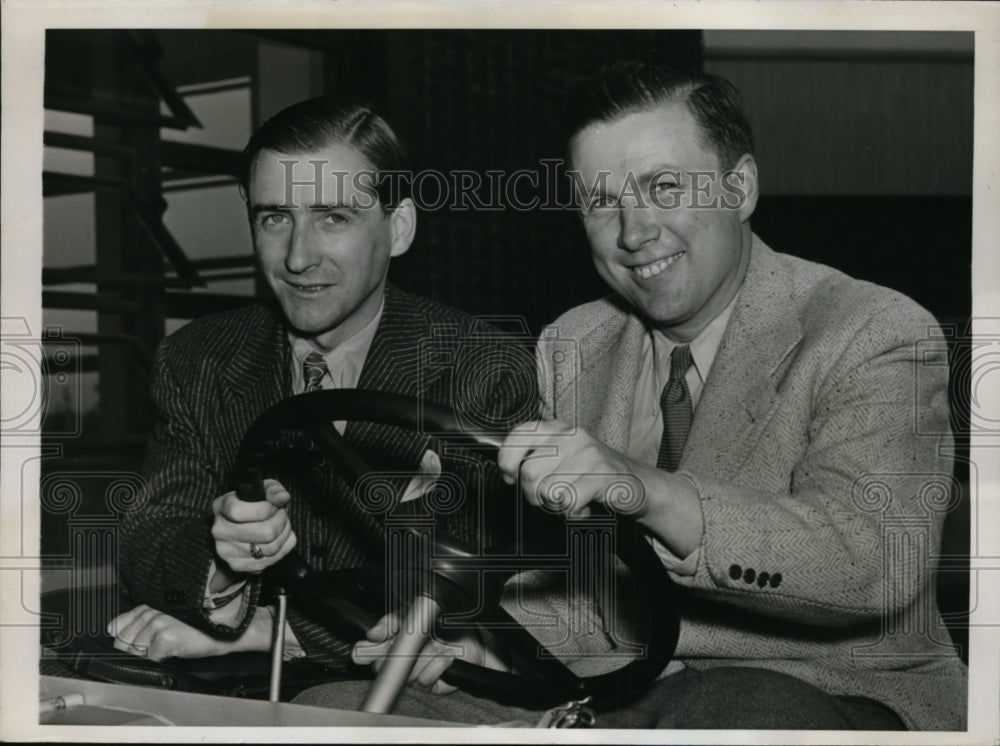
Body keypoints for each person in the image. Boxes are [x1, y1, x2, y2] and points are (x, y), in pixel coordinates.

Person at [308, 63, 966, 730]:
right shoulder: (574, 343)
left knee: (733, 711)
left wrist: (644, 489)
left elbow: (872, 565)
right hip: (623, 689)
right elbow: (586, 592)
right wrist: (479, 641)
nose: (633, 231)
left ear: (739, 187)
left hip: (832, 693)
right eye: (601, 201)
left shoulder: (872, 330)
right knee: (330, 708)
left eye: (664, 187)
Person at [109, 97, 537, 670]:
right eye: (274, 217)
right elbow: (150, 538)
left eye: (333, 217)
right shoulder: (197, 359)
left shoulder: (483, 366)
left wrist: (270, 630)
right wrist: (223, 565)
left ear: (400, 228)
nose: (297, 256)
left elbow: (475, 596)